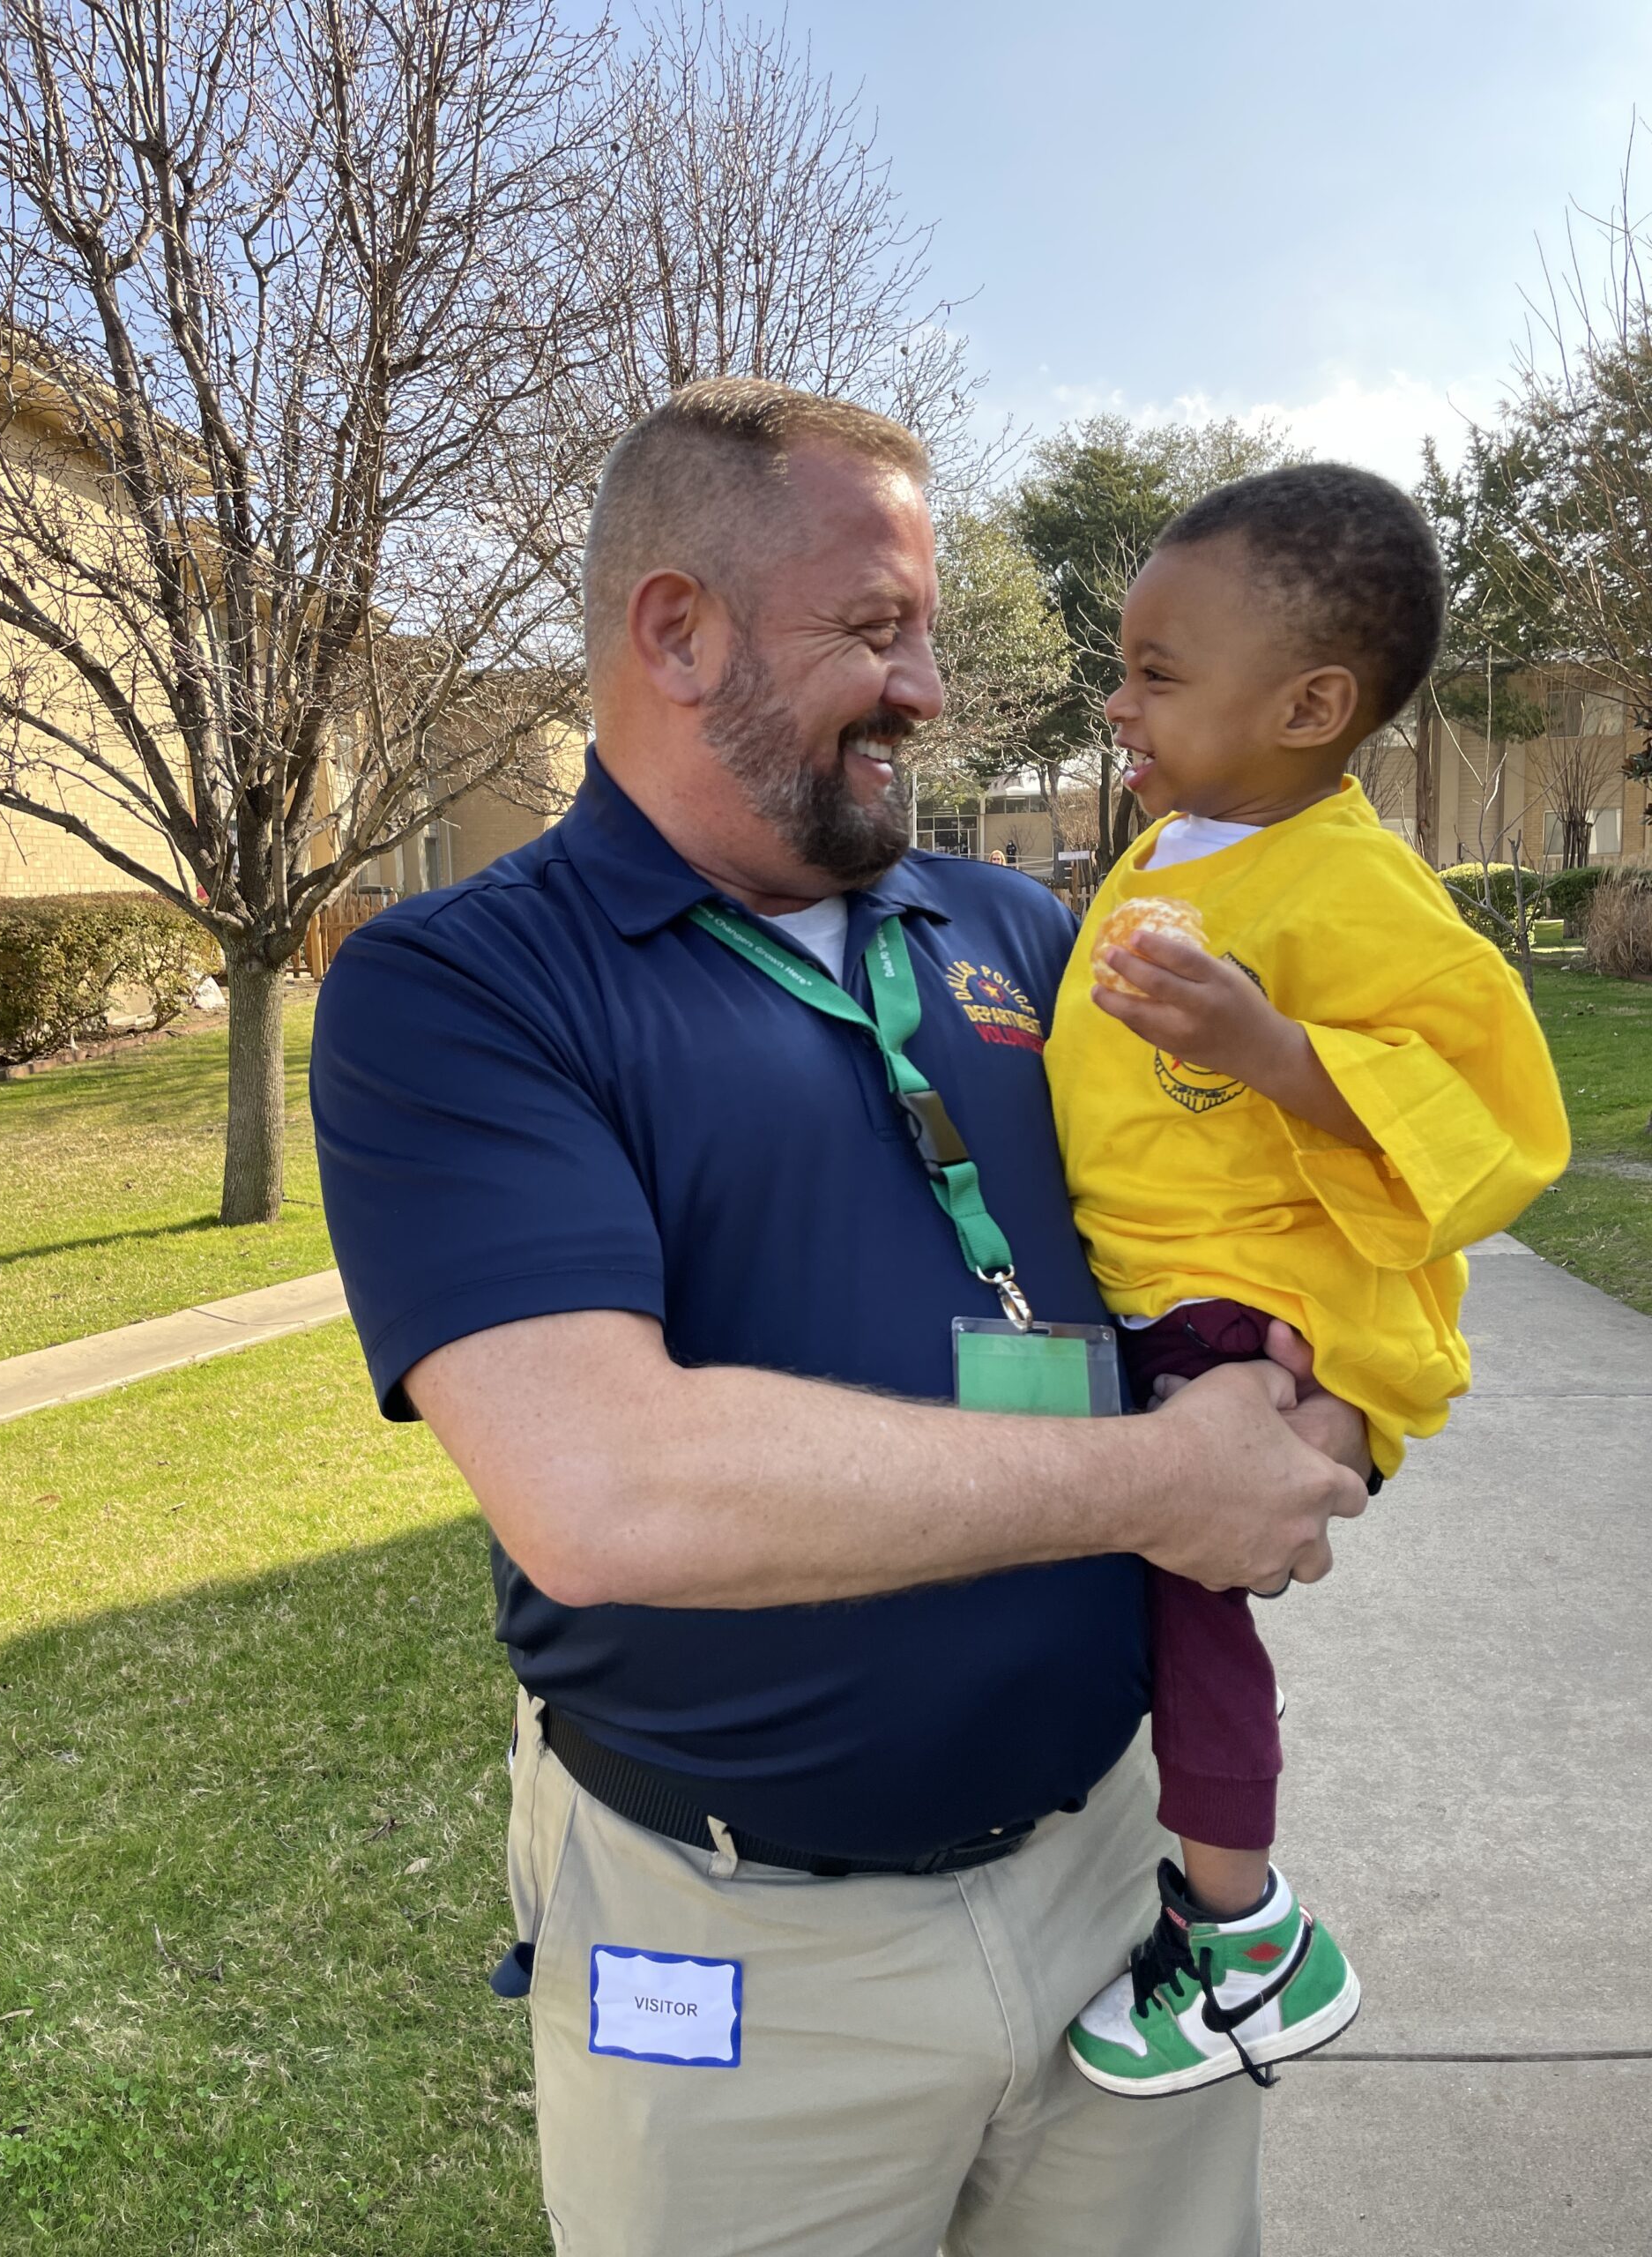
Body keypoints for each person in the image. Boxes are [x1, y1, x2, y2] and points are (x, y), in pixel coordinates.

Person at [309, 381, 1371, 2257]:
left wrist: (1301, 1400)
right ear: (675, 627)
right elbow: (606, 1487)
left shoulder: (1021, 931)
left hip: (1116, 1892)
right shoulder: (464, 988)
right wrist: (1152, 1481)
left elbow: (1231, 1228)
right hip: (735, 1955)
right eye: (876, 629)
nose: (934, 688)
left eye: (929, 631)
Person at [1046, 464, 1570, 2100]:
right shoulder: (1173, 848)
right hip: (1136, 1292)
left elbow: (1497, 1118)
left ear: (1311, 706)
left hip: (1243, 1317)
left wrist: (1273, 1052)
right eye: (1122, 665)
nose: (1116, 702)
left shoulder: (1356, 886)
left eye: (1155, 672)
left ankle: (1249, 1933)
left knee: (1192, 1604)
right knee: (1101, 1575)